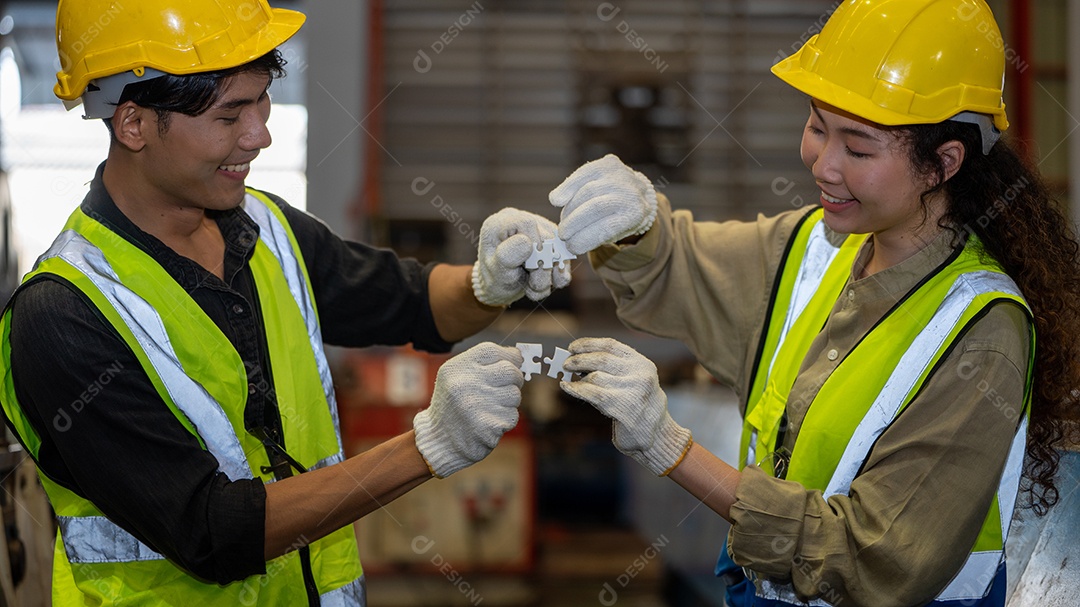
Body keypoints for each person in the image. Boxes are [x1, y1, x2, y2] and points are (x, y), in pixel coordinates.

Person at [0, 1, 567, 605]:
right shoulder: (64, 315)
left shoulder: (267, 230)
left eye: (262, 99)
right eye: (229, 115)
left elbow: (417, 305)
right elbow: (211, 530)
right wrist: (428, 446)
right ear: (133, 124)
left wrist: (489, 282)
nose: (260, 134)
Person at [547, 1, 1080, 606]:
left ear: (943, 163)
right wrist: (632, 222)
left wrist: (674, 451)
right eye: (817, 126)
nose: (822, 165)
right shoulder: (816, 246)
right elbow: (679, 268)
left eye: (858, 148)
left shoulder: (980, 330)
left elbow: (873, 558)